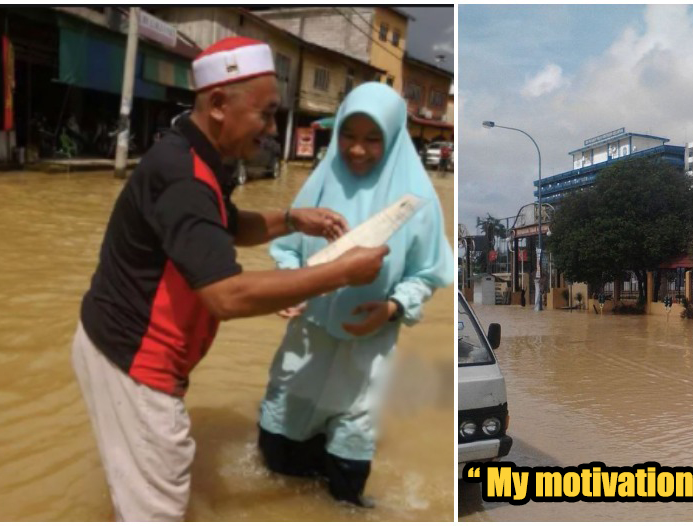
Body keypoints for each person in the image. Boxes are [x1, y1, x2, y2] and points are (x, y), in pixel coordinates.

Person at [71, 37, 388, 521]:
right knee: (159, 509)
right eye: (265, 114)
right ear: (219, 105)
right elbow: (227, 295)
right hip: (134, 363)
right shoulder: (184, 176)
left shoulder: (194, 154)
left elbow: (225, 225)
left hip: (116, 344)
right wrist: (340, 271)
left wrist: (290, 219)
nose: (271, 129)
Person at [256, 82, 453, 507]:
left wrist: (392, 307)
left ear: (394, 138)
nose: (357, 150)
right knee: (278, 470)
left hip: (368, 352)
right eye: (348, 135)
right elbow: (287, 248)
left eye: (371, 139)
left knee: (345, 481)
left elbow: (427, 272)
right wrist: (291, 287)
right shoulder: (320, 184)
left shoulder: (417, 203)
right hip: (305, 346)